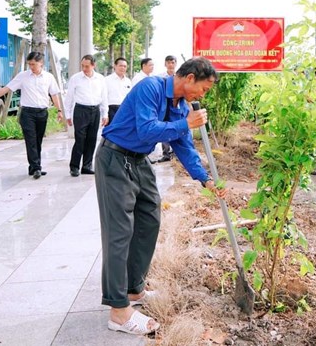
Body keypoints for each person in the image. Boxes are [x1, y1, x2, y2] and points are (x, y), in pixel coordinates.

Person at [95, 57, 226, 335]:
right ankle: (118, 312)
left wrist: (205, 179)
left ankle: (133, 290)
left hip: (140, 160)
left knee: (150, 220)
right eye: (203, 89)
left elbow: (183, 146)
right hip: (114, 158)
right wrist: (186, 123)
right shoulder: (150, 88)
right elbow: (147, 128)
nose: (202, 96)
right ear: (189, 78)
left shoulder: (180, 107)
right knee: (120, 232)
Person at [0, 51, 62, 179]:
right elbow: (6, 89)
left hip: (42, 113)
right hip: (27, 113)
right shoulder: (23, 76)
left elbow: (54, 94)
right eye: (29, 64)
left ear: (41, 63)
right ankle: (36, 168)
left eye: (33, 64)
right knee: (30, 140)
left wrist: (59, 110)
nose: (31, 67)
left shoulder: (49, 77)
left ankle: (34, 167)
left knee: (38, 141)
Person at [64, 54, 108, 177]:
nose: (84, 68)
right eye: (82, 66)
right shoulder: (75, 78)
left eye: (87, 66)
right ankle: (74, 166)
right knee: (80, 139)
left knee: (92, 139)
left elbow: (104, 97)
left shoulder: (100, 79)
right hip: (81, 111)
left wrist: (105, 114)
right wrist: (67, 115)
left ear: (93, 65)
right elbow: (69, 98)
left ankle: (87, 166)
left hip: (95, 110)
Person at [156, 55, 178, 162]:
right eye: (168, 62)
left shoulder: (179, 76)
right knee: (164, 127)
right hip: (164, 105)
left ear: (175, 64)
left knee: (176, 127)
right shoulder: (160, 77)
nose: (170, 64)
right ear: (165, 64)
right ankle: (166, 153)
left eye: (172, 62)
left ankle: (176, 153)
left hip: (175, 105)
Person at [104, 57, 131, 125]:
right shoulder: (107, 80)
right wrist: (104, 114)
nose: (123, 68)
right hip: (111, 109)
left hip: (125, 110)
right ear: (115, 66)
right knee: (111, 132)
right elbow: (104, 97)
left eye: (125, 66)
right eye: (120, 66)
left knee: (123, 132)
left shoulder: (128, 81)